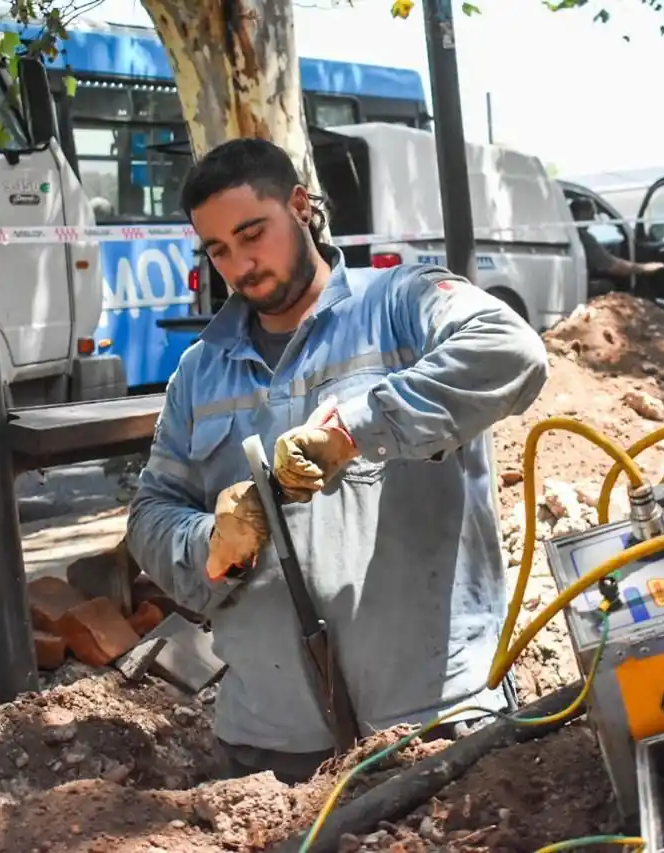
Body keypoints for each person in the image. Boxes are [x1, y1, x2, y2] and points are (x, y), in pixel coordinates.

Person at [125, 137, 549, 783]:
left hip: (433, 716)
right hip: (271, 740)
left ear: (300, 206)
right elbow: (151, 511)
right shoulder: (198, 372)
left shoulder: (404, 303)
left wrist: (356, 427)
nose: (240, 264)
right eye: (218, 250)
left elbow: (510, 350)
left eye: (251, 233)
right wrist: (210, 539)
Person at [570, 197, 664, 295]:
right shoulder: (583, 237)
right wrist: (644, 268)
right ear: (582, 214)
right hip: (577, 288)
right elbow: (613, 266)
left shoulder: (571, 234)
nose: (593, 220)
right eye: (591, 215)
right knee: (607, 286)